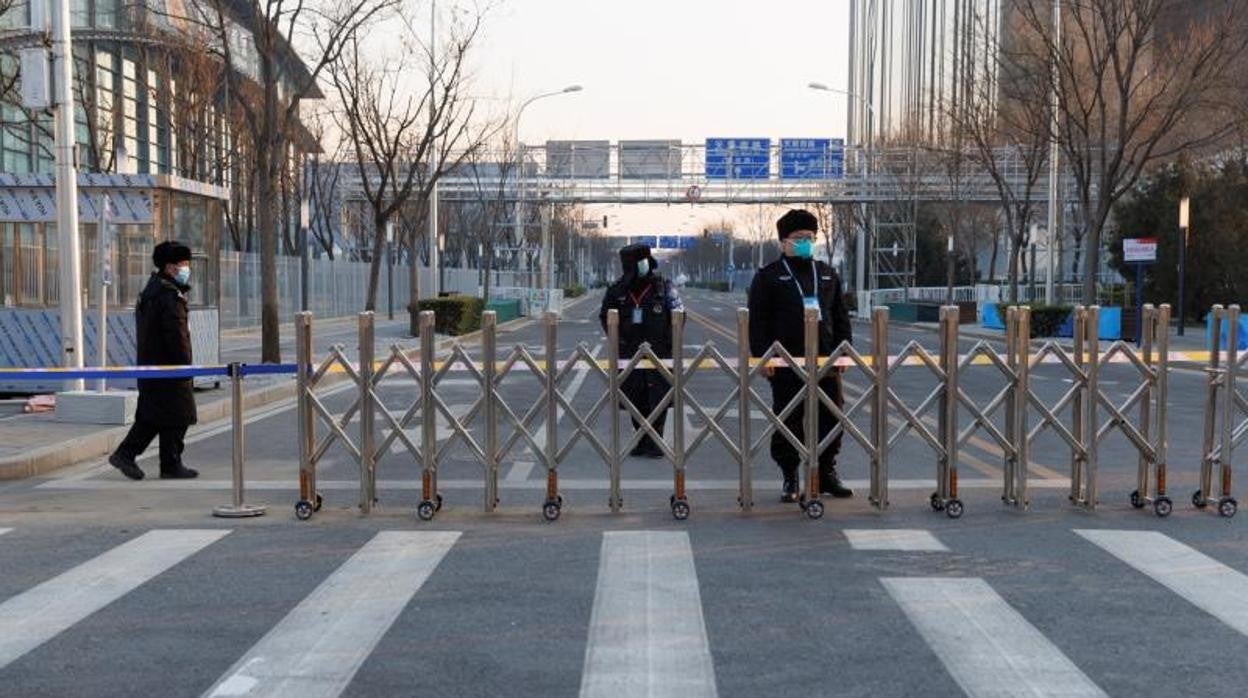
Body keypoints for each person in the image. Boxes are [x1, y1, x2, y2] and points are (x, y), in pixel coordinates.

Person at [748, 209, 853, 502]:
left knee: (832, 418)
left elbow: (840, 317)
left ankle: (826, 473)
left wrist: (844, 352)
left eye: (810, 237)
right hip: (786, 364)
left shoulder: (827, 273)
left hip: (825, 361)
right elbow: (758, 321)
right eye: (799, 238)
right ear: (784, 242)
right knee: (788, 419)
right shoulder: (768, 277)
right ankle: (790, 476)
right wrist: (763, 357)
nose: (805, 243)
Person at [109, 241, 199, 480]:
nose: (187, 269)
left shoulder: (152, 290)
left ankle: (167, 463)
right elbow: (176, 334)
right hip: (169, 367)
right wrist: (185, 366)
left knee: (160, 416)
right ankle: (130, 455)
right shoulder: (168, 296)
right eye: (184, 265)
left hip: (153, 365)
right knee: (177, 415)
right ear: (170, 267)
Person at [599, 243, 684, 458]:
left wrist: (666, 341)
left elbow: (679, 315)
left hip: (659, 354)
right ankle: (642, 440)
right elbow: (605, 317)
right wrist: (620, 341)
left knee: (658, 396)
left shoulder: (664, 288)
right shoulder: (618, 291)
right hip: (630, 355)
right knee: (634, 397)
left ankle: (655, 442)